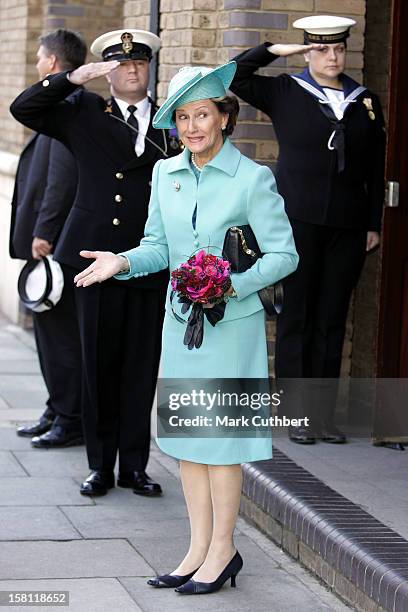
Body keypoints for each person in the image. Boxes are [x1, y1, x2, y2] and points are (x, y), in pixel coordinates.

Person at [73, 62, 298, 594]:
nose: (193, 126)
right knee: (189, 445)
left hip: (231, 329)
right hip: (180, 327)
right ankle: (197, 548)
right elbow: (158, 247)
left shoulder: (252, 178)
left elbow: (284, 255)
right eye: (183, 118)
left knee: (220, 447)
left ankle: (223, 552)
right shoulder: (164, 173)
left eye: (203, 114)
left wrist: (230, 283)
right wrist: (121, 262)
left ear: (224, 117)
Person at [10, 29, 181, 496]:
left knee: (139, 367)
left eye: (140, 63)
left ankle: (135, 467)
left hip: (148, 258)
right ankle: (100, 467)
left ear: (149, 68)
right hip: (92, 256)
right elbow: (24, 108)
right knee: (98, 364)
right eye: (121, 64)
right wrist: (71, 77)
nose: (131, 70)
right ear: (107, 71)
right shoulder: (84, 110)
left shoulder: (170, 120)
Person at [230, 15, 386, 444]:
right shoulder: (284, 91)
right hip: (295, 223)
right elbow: (235, 75)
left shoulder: (365, 101)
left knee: (331, 319)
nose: (332, 56)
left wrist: (372, 224)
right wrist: (272, 52)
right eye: (321, 49)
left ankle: (322, 417)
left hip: (348, 226)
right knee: (296, 316)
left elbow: (376, 168)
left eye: (338, 49)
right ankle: (296, 416)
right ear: (308, 51)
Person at [11, 29, 87, 447]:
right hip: (52, 241)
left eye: (41, 58)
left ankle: (69, 418)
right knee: (49, 335)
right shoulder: (61, 103)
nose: (38, 64)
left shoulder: (64, 106)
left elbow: (60, 177)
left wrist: (45, 231)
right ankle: (56, 408)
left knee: (60, 339)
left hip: (55, 244)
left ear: (54, 64)